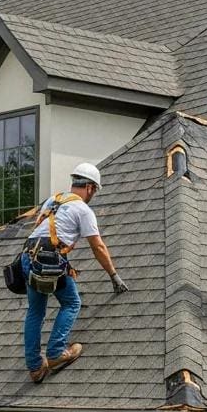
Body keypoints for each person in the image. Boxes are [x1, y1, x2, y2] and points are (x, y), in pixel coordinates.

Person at [22, 162, 128, 383]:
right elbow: (97, 246)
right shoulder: (83, 210)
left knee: (35, 311)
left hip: (28, 257)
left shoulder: (53, 200)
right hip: (49, 260)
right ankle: (56, 354)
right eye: (95, 191)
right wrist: (113, 276)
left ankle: (35, 367)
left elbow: (44, 232)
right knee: (71, 303)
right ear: (89, 187)